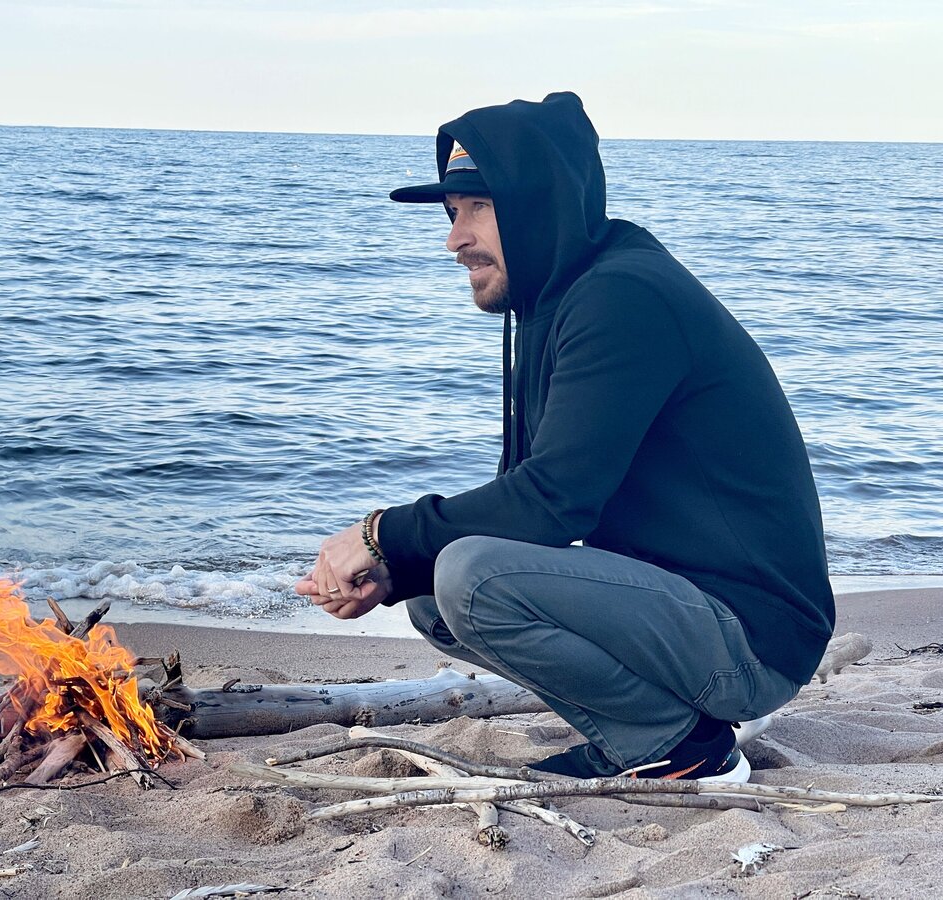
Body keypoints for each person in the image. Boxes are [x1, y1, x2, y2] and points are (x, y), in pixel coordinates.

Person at [293, 92, 835, 783]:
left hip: (752, 636)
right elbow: (530, 515)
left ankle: (674, 745)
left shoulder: (623, 298)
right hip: (687, 608)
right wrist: (393, 569)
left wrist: (376, 532)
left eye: (477, 209)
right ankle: (657, 734)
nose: (454, 240)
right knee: (433, 594)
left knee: (466, 574)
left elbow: (554, 504)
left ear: (538, 202)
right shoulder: (559, 303)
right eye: (452, 213)